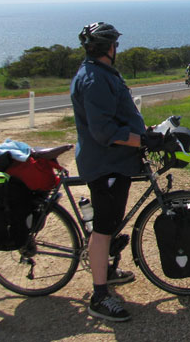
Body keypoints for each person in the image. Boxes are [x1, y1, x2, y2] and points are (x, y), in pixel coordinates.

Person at [70, 22, 164, 322]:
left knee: (110, 223)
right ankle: (99, 297)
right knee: (103, 228)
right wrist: (142, 139)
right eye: (115, 45)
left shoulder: (102, 73)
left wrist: (144, 133)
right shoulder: (95, 79)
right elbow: (104, 131)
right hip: (105, 163)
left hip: (116, 162)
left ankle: (107, 271)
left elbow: (119, 115)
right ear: (110, 47)